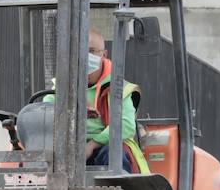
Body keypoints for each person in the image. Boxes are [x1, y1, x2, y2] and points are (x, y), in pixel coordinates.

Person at [45, 29, 150, 173]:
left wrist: (92, 145)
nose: (85, 56)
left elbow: (125, 125)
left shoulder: (119, 88)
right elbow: (43, 115)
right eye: (79, 51)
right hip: (68, 149)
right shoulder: (59, 88)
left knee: (113, 153)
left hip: (103, 148)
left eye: (92, 51)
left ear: (104, 55)